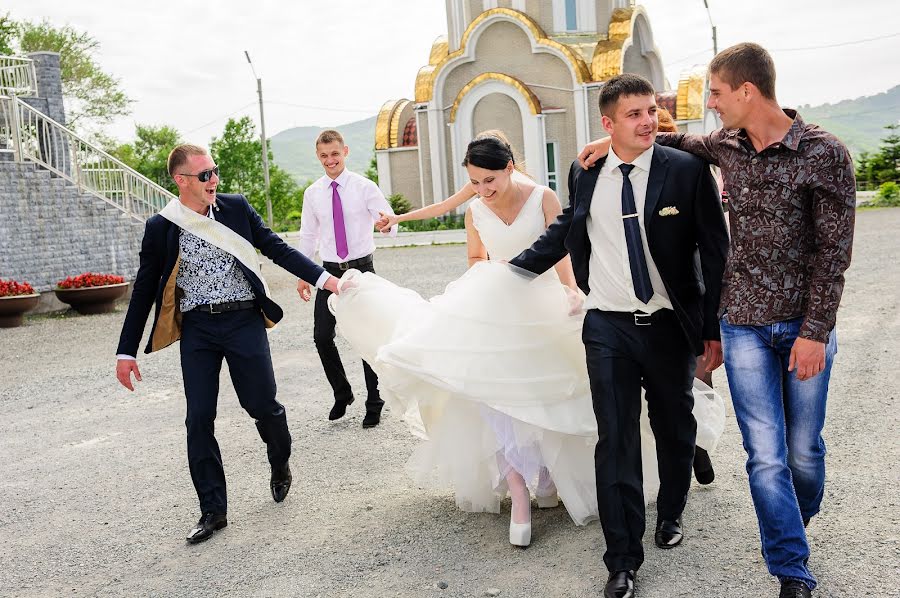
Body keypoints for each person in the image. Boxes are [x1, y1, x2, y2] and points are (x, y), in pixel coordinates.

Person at [328, 134, 727, 556]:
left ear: (510, 166)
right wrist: (483, 274)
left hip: (543, 297)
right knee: (491, 391)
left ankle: (615, 468)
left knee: (565, 389)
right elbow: (473, 258)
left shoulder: (543, 196)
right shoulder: (475, 208)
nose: (483, 189)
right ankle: (521, 486)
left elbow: (563, 247)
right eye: (475, 182)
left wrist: (572, 292)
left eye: (489, 180)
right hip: (496, 299)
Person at [578, 44, 856, 598]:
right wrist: (610, 145)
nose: (708, 103)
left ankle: (791, 527)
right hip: (744, 323)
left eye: (716, 93)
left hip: (804, 326)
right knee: (766, 455)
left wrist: (815, 333)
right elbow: (670, 141)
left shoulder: (825, 153)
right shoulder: (726, 146)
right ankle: (791, 570)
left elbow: (834, 254)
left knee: (803, 453)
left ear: (746, 92)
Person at [510, 73, 729, 598]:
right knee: (616, 442)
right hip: (606, 325)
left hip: (670, 327)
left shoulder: (687, 170)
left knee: (676, 426)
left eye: (650, 110)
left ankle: (672, 510)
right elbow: (569, 228)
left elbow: (716, 256)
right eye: (633, 114)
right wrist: (511, 272)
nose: (648, 120)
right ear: (607, 124)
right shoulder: (585, 172)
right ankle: (622, 560)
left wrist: (712, 332)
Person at [115, 144, 340, 544]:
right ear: (181, 181)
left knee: (263, 407)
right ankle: (212, 510)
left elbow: (276, 248)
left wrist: (327, 280)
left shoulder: (235, 208)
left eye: (214, 172)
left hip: (243, 321)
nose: (214, 180)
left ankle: (280, 461)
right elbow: (144, 291)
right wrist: (126, 351)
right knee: (198, 418)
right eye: (204, 176)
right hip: (198, 329)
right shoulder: (162, 226)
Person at [296, 129, 398, 428]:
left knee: (367, 335)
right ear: (319, 156)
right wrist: (303, 274)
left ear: (346, 152)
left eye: (335, 154)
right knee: (321, 336)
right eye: (324, 155)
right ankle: (342, 394)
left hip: (362, 270)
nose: (330, 160)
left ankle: (374, 401)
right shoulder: (313, 193)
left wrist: (385, 226)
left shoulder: (364, 187)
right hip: (328, 273)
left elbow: (390, 223)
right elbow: (309, 235)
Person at [656, 107, 716, 487]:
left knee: (695, 373)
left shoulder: (689, 168)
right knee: (692, 377)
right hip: (673, 290)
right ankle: (698, 449)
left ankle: (701, 447)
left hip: (687, 286)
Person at [374, 129, 527, 233]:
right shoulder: (478, 185)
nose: (482, 189)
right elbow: (443, 207)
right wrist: (398, 218)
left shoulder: (528, 188)